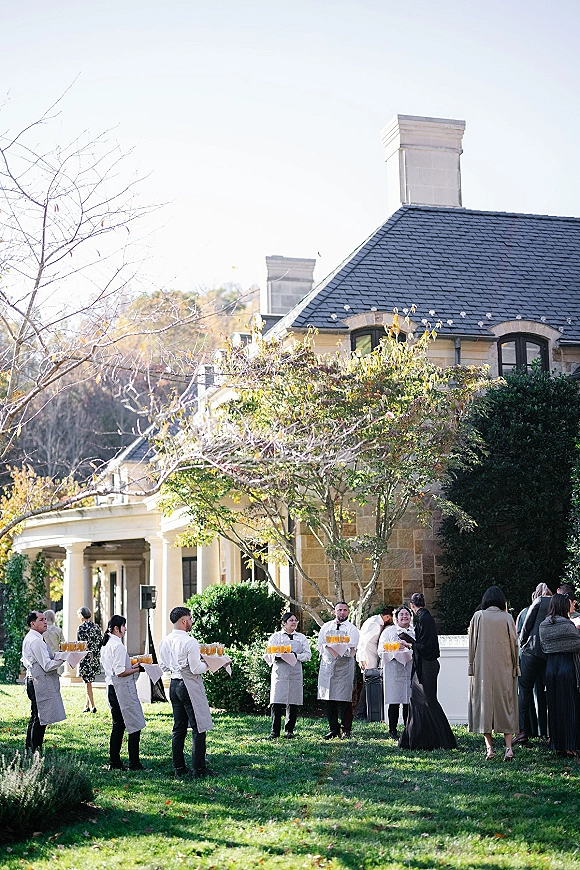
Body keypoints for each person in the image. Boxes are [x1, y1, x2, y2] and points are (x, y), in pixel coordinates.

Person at [159, 605, 215, 778]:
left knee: (179, 727)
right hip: (188, 685)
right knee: (199, 727)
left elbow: (163, 666)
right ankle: (199, 769)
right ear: (184, 621)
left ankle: (179, 768)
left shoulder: (165, 640)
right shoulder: (190, 641)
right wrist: (212, 663)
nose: (191, 622)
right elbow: (196, 668)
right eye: (190, 619)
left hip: (174, 685)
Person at [398, 592, 456, 750]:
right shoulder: (425, 617)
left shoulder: (424, 619)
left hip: (427, 666)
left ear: (412, 605)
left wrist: (409, 644)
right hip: (425, 665)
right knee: (418, 700)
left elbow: (426, 648)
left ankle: (443, 739)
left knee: (428, 701)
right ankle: (418, 738)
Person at [467, 586, 519, 760]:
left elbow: (471, 644)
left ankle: (489, 748)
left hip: (483, 669)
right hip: (505, 667)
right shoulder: (507, 618)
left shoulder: (478, 617)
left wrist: (471, 666)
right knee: (506, 704)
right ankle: (509, 748)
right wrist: (515, 666)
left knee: (484, 705)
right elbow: (514, 644)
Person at [100, 615, 147, 771]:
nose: (125, 629)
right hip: (122, 689)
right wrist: (138, 669)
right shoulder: (118, 646)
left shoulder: (106, 644)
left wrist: (132, 664)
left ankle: (115, 762)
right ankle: (134, 763)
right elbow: (120, 671)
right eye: (124, 626)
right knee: (135, 724)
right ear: (116, 628)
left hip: (111, 688)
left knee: (118, 726)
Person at [539, 592, 580, 757]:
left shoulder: (544, 625)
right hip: (567, 666)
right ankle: (570, 745)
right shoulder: (567, 625)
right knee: (570, 706)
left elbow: (544, 647)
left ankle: (557, 744)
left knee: (554, 706)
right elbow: (577, 644)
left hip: (551, 667)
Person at [21, 610, 66, 753]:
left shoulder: (33, 638)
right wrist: (63, 659)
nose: (45, 622)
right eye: (41, 620)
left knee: (35, 715)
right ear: (32, 623)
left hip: (33, 679)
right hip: (38, 681)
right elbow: (47, 665)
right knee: (40, 718)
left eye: (45, 619)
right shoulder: (35, 641)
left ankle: (30, 749)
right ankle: (35, 752)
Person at [513, 583, 552, 744]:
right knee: (549, 693)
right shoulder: (557, 604)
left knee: (524, 691)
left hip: (531, 652)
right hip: (549, 653)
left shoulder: (534, 605)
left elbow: (524, 628)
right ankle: (549, 733)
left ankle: (521, 731)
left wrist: (523, 644)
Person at [317, 602, 360, 739]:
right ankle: (333, 729)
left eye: (345, 610)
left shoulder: (352, 629)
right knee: (328, 699)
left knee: (344, 699)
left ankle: (346, 729)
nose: (342, 612)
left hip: (344, 666)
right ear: (334, 612)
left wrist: (340, 648)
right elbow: (320, 645)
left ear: (348, 612)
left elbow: (353, 646)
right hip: (328, 666)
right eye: (339, 610)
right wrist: (329, 647)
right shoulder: (326, 627)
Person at [267, 612, 312, 739]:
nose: (294, 622)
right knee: (276, 701)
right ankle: (275, 731)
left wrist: (296, 656)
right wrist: (280, 654)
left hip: (295, 671)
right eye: (291, 620)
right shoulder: (276, 637)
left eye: (295, 620)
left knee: (293, 701)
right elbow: (270, 651)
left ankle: (289, 730)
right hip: (280, 672)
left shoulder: (302, 637)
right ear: (283, 623)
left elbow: (308, 655)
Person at [381, 605, 415, 739]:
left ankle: (408, 729)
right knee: (394, 700)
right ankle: (392, 729)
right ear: (396, 618)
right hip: (393, 669)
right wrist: (393, 650)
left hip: (410, 668)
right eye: (401, 614)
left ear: (410, 617)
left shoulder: (415, 631)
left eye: (407, 614)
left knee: (408, 700)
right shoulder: (389, 632)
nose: (404, 616)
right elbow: (381, 649)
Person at [355, 607, 394, 721]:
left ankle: (370, 712)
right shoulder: (374, 624)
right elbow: (363, 642)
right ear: (387, 617)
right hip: (368, 658)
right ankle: (361, 713)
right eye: (391, 618)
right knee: (368, 685)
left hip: (373, 657)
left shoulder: (378, 622)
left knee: (372, 685)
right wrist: (362, 658)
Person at [77, 606, 102, 713]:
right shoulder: (96, 627)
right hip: (95, 657)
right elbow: (101, 641)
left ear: (82, 616)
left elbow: (80, 644)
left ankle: (92, 706)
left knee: (87, 682)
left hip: (86, 657)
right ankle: (86, 706)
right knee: (89, 682)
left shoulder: (81, 628)